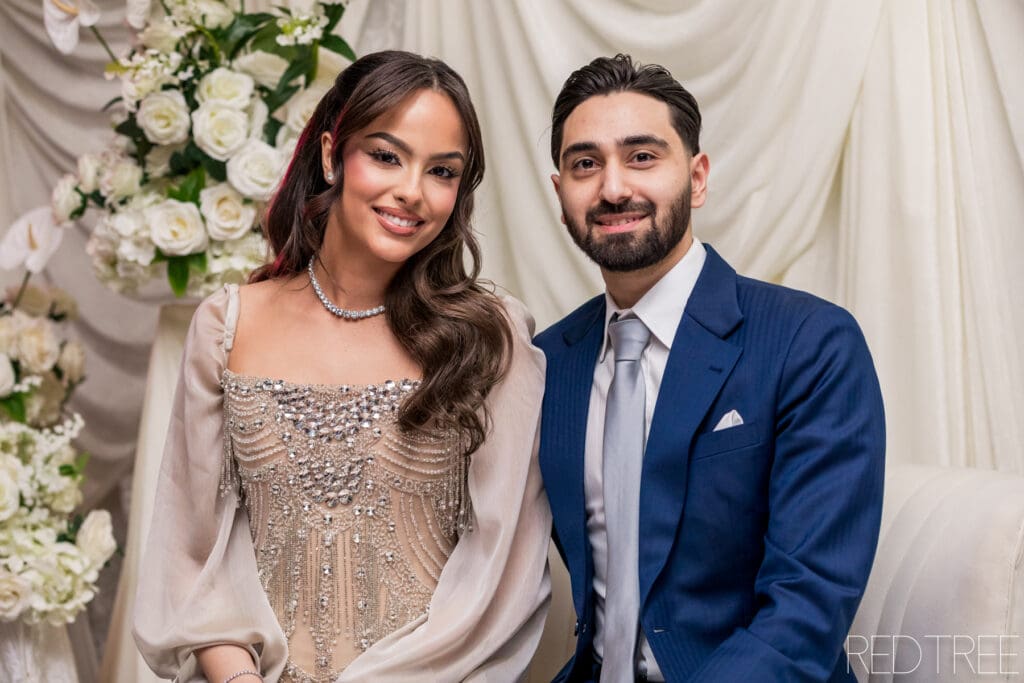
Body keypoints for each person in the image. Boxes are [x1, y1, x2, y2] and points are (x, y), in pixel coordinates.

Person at [133, 50, 551, 683]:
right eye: (386, 156)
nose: (412, 191)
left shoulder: (491, 338)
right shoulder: (226, 326)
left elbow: (504, 577)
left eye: (442, 171)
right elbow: (189, 557)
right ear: (332, 155)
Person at [535, 54, 885, 682]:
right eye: (586, 164)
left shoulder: (808, 343)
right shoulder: (549, 362)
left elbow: (807, 607)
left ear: (697, 178)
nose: (613, 188)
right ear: (561, 194)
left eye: (642, 156)